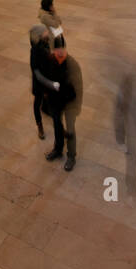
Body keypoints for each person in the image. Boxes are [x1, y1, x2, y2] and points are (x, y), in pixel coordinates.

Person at [46, 36, 83, 171]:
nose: (60, 52)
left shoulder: (72, 64)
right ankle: (58, 148)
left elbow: (79, 87)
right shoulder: (50, 61)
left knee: (70, 129)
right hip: (55, 102)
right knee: (57, 125)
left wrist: (77, 106)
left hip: (69, 103)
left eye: (62, 49)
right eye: (57, 49)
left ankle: (71, 156)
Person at [29, 24, 55, 141]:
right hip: (40, 83)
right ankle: (39, 125)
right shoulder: (35, 51)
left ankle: (50, 113)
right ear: (39, 36)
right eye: (45, 31)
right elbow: (35, 70)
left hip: (48, 79)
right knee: (37, 102)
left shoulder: (45, 43)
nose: (47, 32)